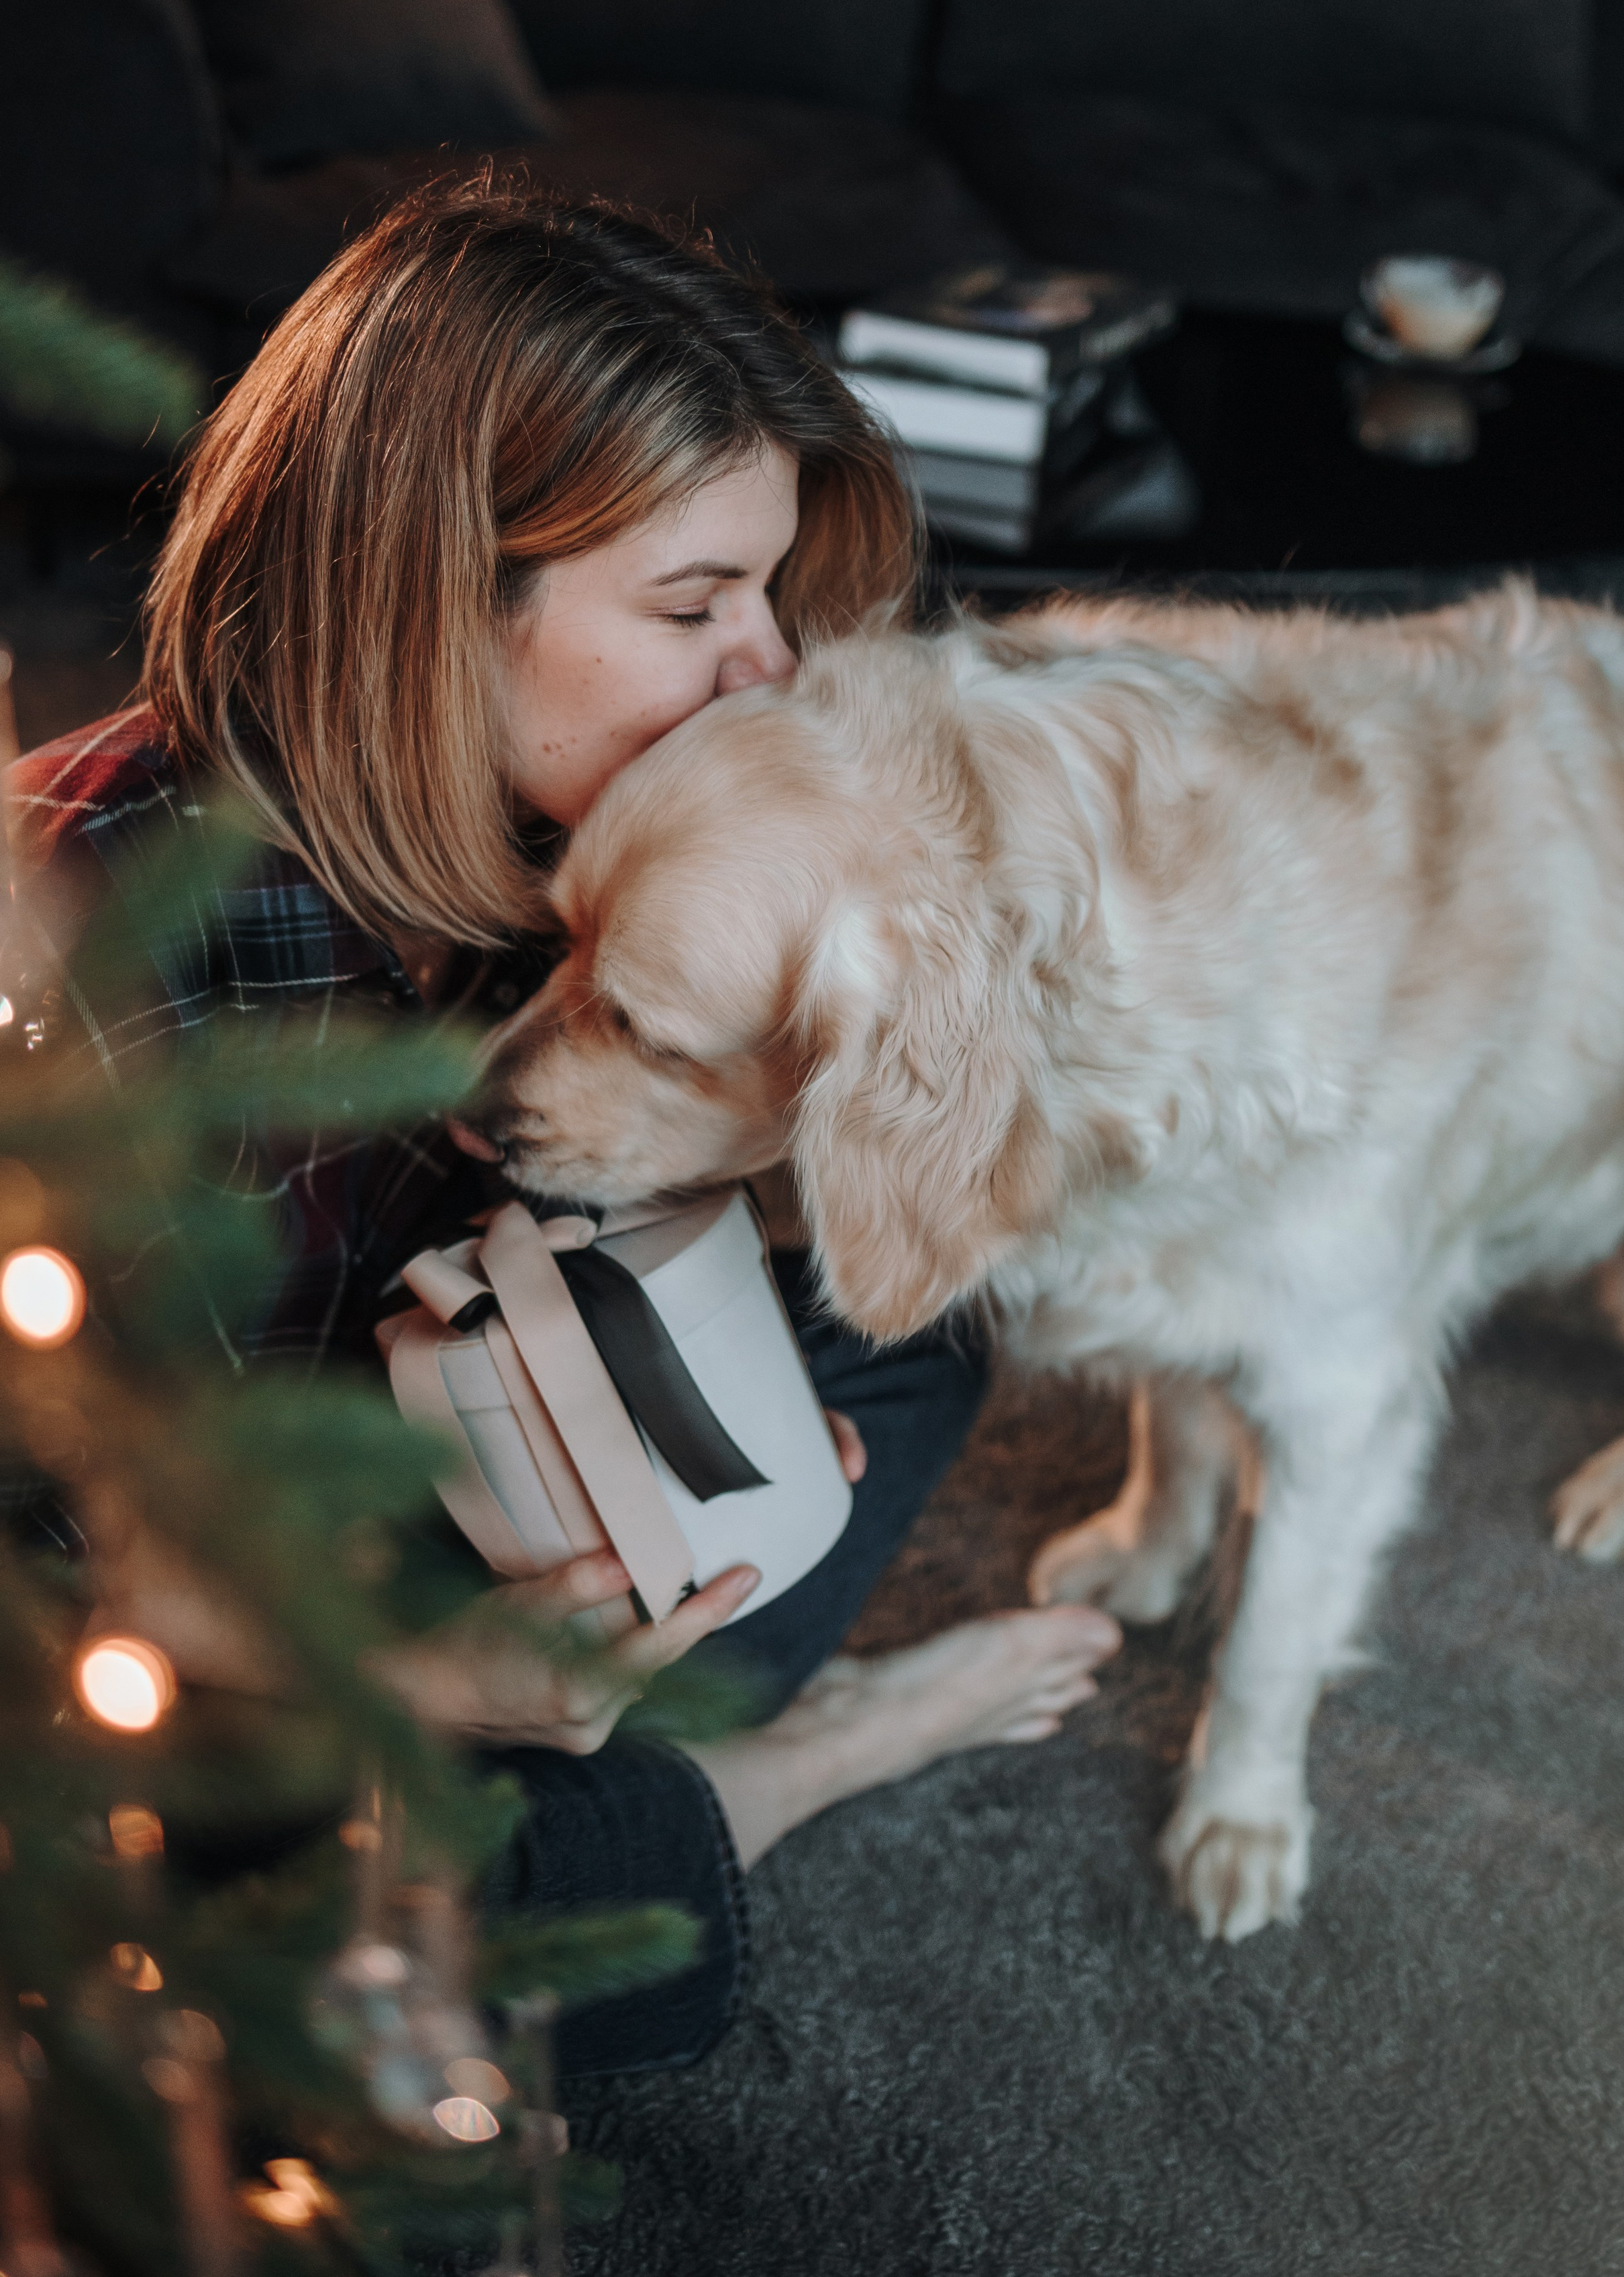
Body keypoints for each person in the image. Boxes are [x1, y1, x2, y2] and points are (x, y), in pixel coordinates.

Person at [11, 182, 1119, 2077]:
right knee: (320, 1955)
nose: (764, 664)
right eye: (693, 604)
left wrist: (728, 1314)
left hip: (465, 1459)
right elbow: (67, 1554)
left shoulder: (616, 825)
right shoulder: (66, 938)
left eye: (764, 591)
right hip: (175, 1630)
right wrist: (445, 1669)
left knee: (922, 1302)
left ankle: (648, 1741)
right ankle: (788, 1766)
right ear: (428, 601)